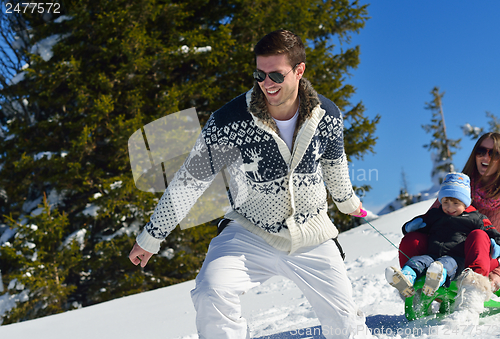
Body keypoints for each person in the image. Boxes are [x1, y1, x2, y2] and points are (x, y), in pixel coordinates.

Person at [128, 30, 372, 338]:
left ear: (299, 71)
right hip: (250, 231)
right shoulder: (228, 122)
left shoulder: (327, 115)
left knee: (347, 327)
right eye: (259, 74)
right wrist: (151, 236)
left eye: (276, 75)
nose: (266, 83)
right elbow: (189, 181)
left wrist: (349, 203)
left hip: (312, 234)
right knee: (210, 292)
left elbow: (335, 167)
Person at [398, 132, 500, 321]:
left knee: (479, 235)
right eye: (481, 151)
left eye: (494, 153)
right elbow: (431, 220)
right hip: (445, 256)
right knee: (413, 239)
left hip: (486, 263)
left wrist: (496, 276)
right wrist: (413, 227)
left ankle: (473, 295)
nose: (486, 157)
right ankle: (415, 287)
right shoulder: (456, 186)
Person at [386, 173, 500, 300]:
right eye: (446, 202)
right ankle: (407, 277)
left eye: (456, 203)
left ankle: (435, 281)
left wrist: (496, 244)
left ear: (465, 203)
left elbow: (491, 232)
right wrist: (409, 226)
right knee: (418, 261)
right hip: (432, 255)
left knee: (444, 265)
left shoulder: (476, 218)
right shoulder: (435, 214)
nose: (450, 208)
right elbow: (419, 223)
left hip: (457, 259)